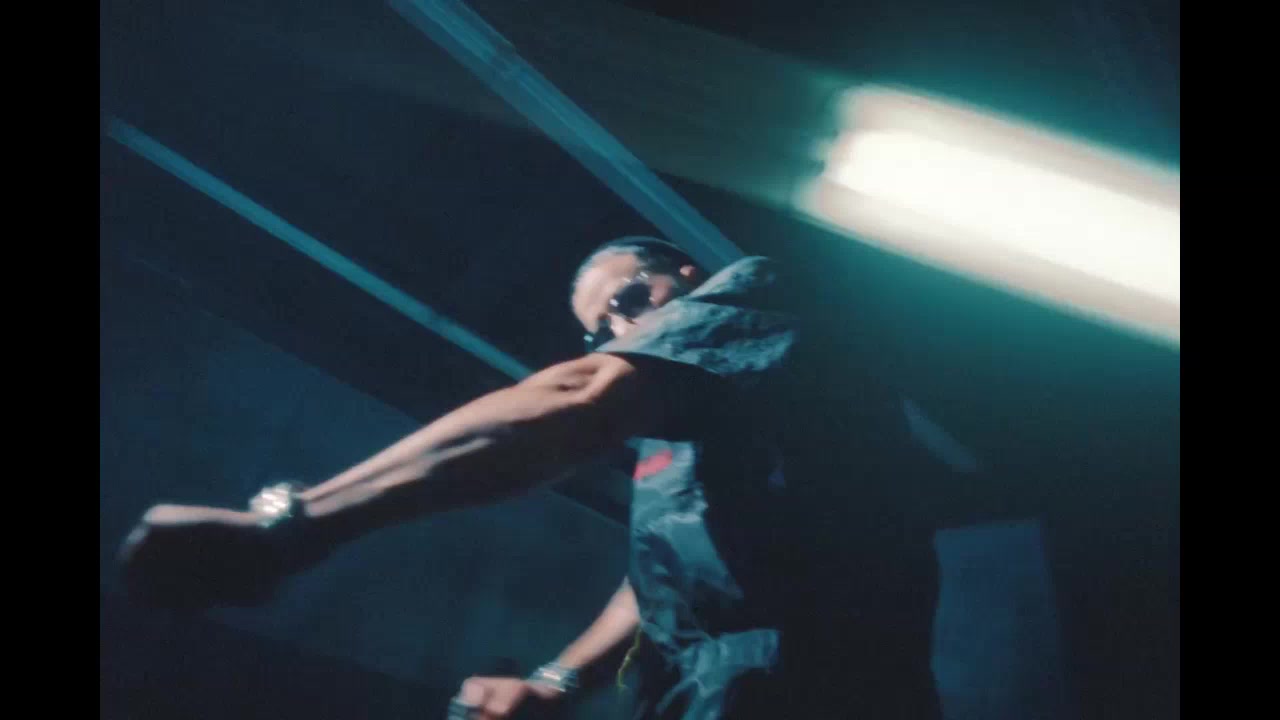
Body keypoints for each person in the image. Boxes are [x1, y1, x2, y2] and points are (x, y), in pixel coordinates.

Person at [120, 237, 951, 719]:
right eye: (604, 325)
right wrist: (555, 685)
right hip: (710, 692)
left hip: (819, 684)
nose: (622, 323)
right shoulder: (682, 441)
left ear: (690, 276)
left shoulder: (755, 293)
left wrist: (293, 527)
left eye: (634, 294)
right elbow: (657, 584)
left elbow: (578, 398)